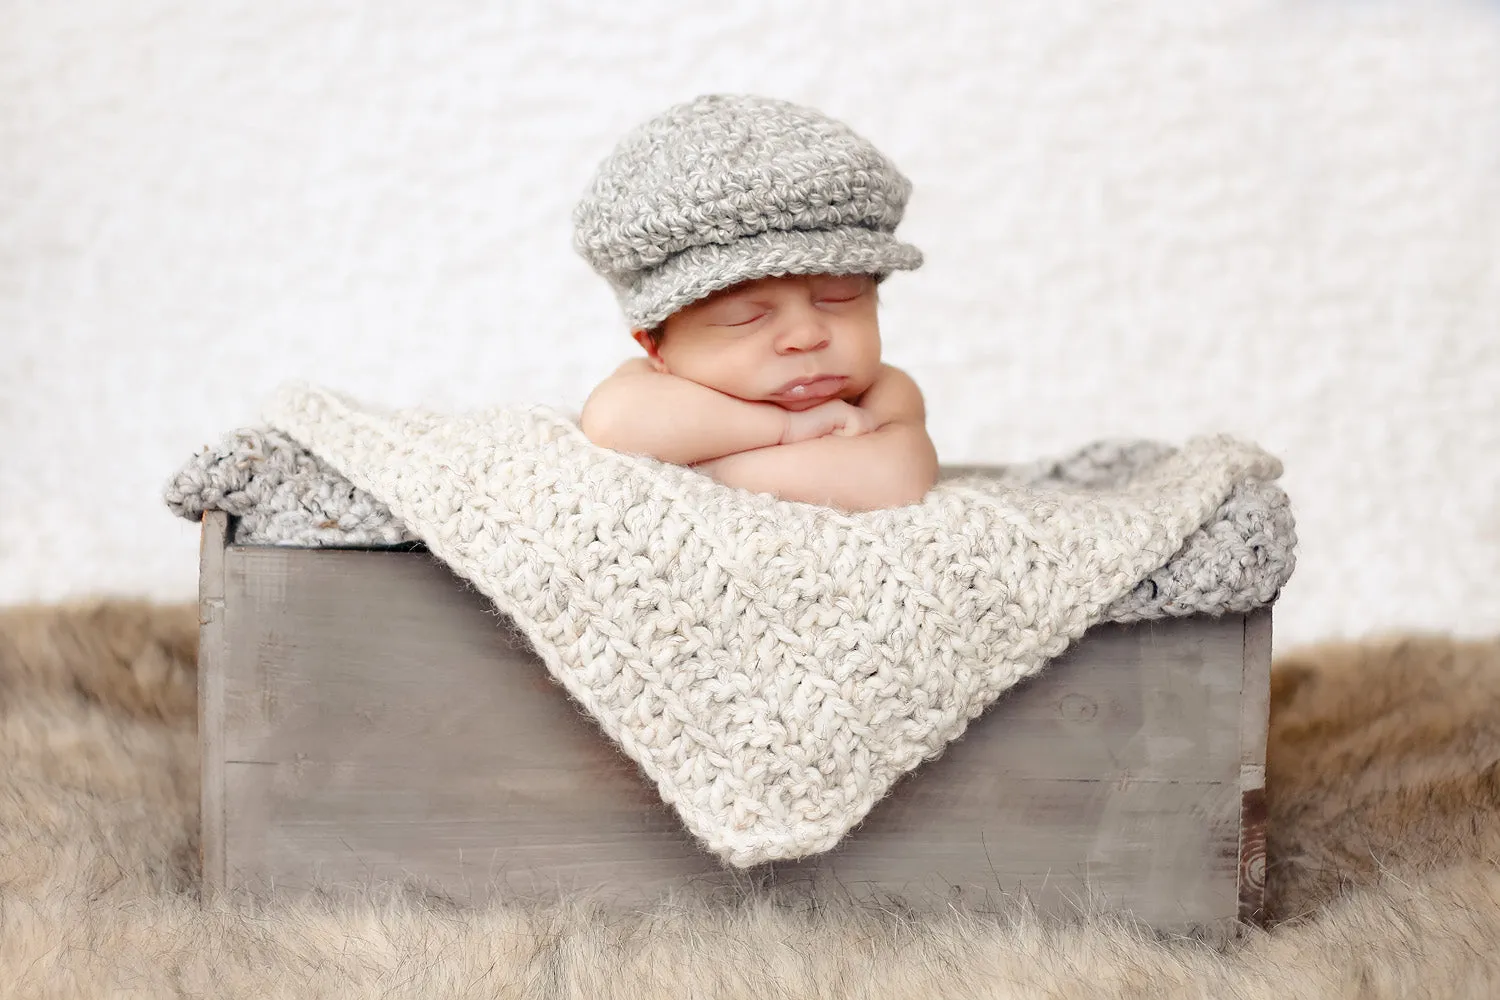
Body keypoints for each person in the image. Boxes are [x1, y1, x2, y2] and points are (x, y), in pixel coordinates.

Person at [573, 94, 938, 512]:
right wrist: (789, 428)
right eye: (745, 317)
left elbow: (889, 479)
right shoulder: (647, 387)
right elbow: (612, 423)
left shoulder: (882, 392)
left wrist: (704, 470)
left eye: (841, 297)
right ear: (655, 347)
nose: (806, 336)